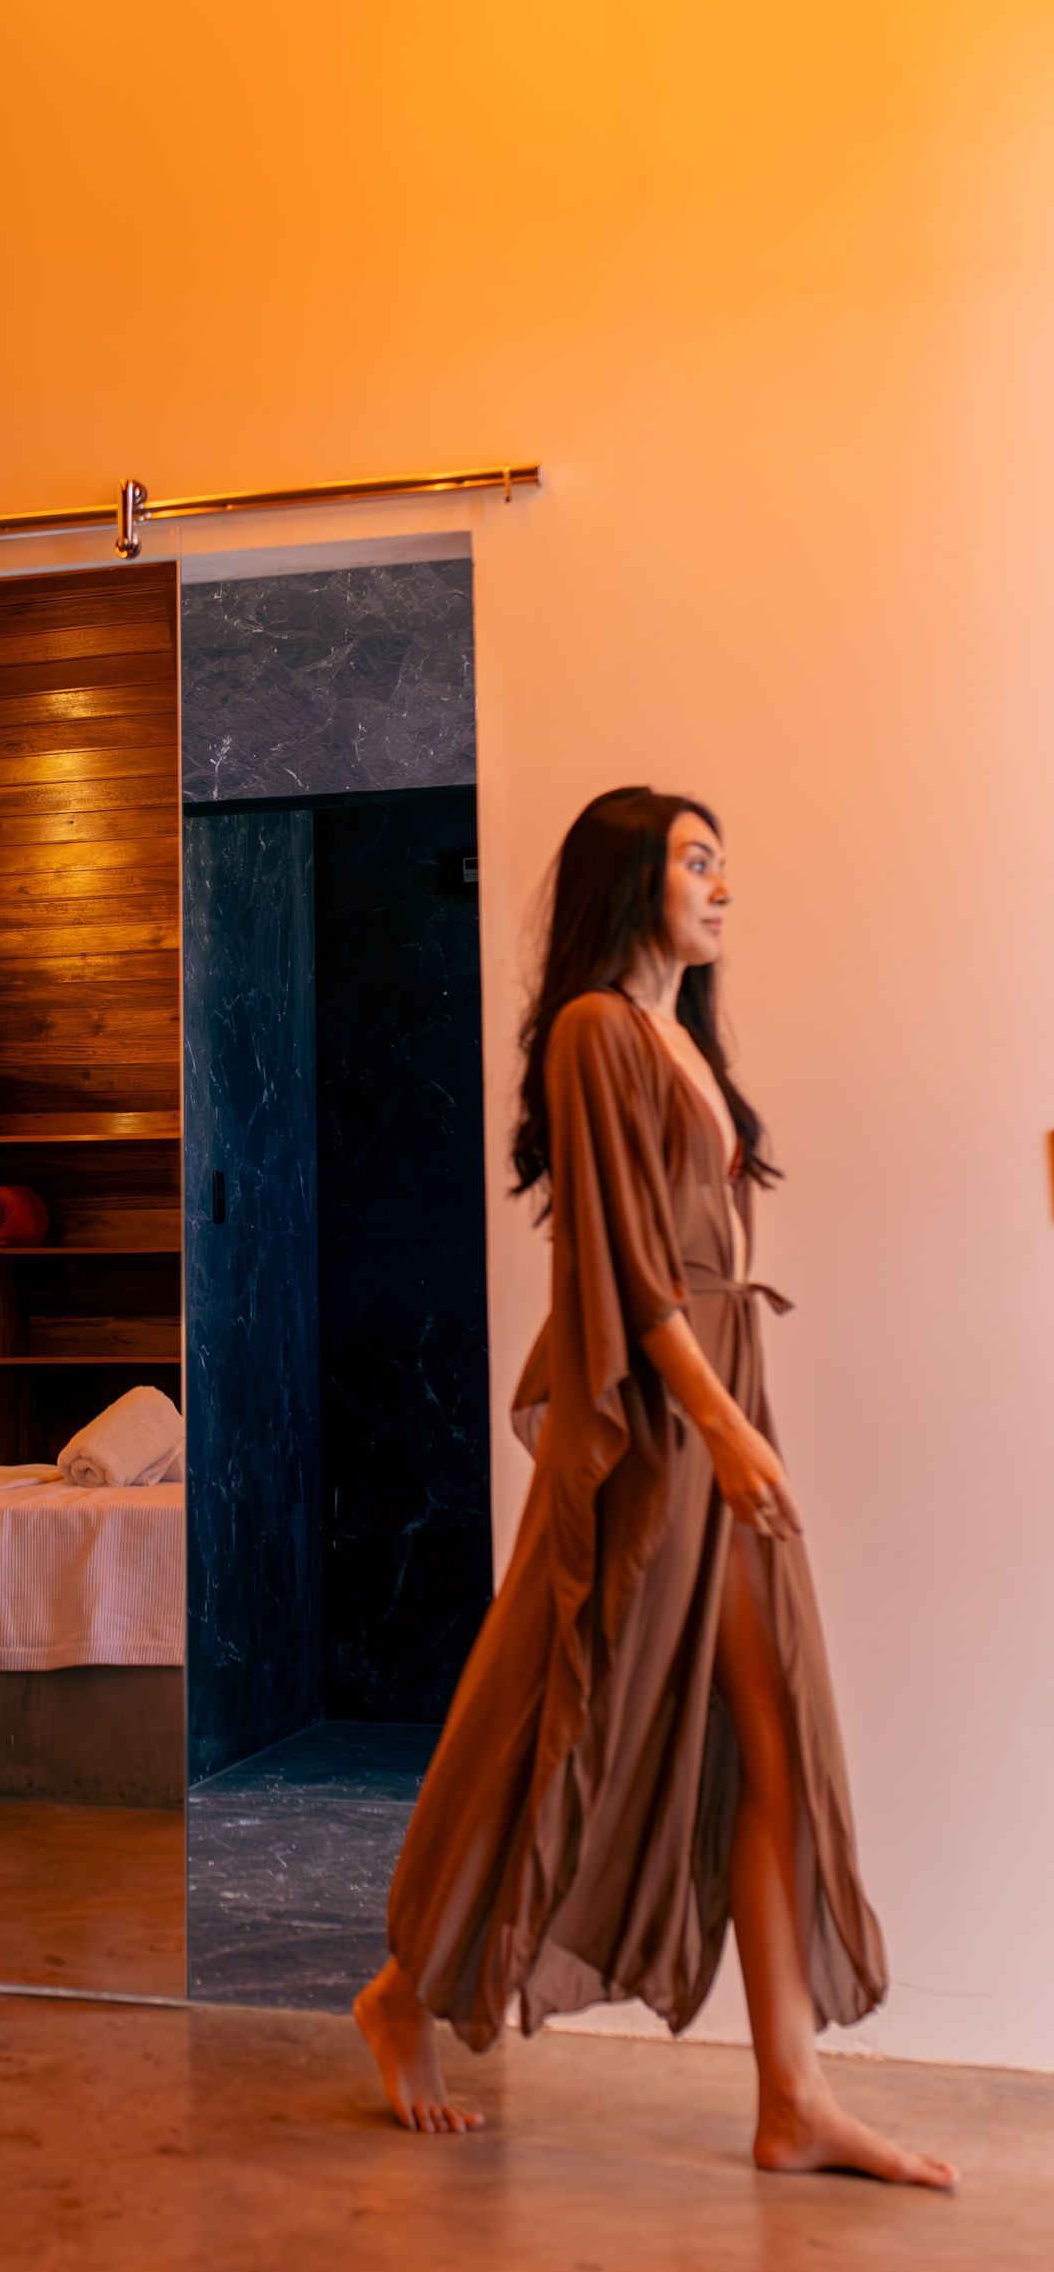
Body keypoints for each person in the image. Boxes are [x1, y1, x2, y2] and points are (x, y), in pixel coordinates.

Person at [354, 787, 956, 2188]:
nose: (721, 884)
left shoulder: (682, 1039)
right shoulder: (591, 1032)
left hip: (719, 1399)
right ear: (628, 883)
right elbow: (630, 1266)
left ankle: (793, 2098)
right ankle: (404, 1990)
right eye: (694, 860)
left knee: (769, 1733)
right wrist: (724, 1429)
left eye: (723, 859)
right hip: (651, 1418)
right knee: (553, 1700)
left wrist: (741, 1420)